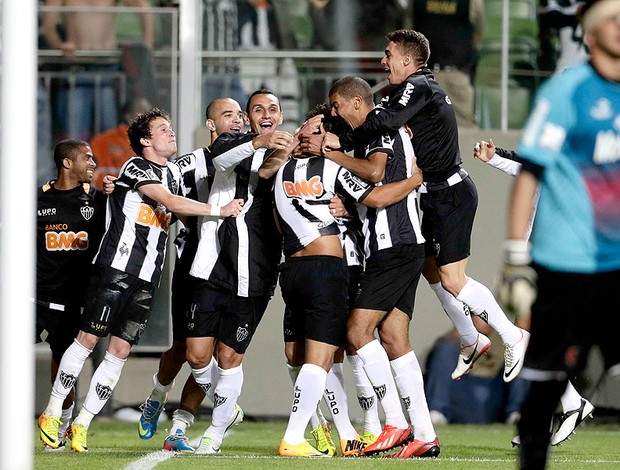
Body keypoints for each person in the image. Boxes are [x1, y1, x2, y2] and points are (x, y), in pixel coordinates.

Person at [302, 29, 529, 388]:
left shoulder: (419, 85)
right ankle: (471, 339)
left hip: (450, 194)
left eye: (388, 54)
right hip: (435, 194)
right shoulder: (415, 90)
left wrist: (337, 141)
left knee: (454, 279)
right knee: (432, 270)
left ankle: (510, 335)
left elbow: (382, 122)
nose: (383, 61)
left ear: (408, 60)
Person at [37, 107, 244, 453]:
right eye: (163, 129)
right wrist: (219, 210)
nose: (171, 133)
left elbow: (176, 210)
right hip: (117, 267)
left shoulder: (174, 176)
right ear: (146, 141)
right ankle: (53, 411)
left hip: (148, 277)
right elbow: (168, 201)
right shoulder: (137, 166)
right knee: (87, 338)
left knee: (119, 352)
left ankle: (82, 424)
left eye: (170, 128)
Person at [500, 1, 620, 467]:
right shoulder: (567, 90)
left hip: (616, 261)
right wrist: (515, 258)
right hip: (565, 261)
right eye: (610, 18)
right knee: (546, 381)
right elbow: (530, 172)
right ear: (589, 35)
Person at [269, 103, 425, 457]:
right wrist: (415, 179)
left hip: (291, 270)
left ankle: (343, 433)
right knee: (325, 357)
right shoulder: (331, 167)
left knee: (307, 356)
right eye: (314, 130)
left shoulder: (279, 170)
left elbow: (278, 221)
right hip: (326, 268)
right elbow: (378, 194)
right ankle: (295, 437)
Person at [299, 77, 440, 458]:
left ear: (356, 102)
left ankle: (393, 423)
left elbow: (377, 178)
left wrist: (333, 155)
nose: (333, 112)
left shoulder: (380, 126)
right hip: (395, 247)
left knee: (357, 332)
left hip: (396, 245)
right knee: (394, 338)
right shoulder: (365, 137)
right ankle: (424, 434)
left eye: (336, 104)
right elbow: (373, 188)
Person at [182, 90, 293, 454]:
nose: (266, 113)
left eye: (273, 109)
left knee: (230, 357)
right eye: (258, 109)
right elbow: (221, 159)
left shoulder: (291, 154)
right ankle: (227, 408)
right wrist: (260, 141)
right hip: (213, 264)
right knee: (197, 355)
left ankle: (214, 431)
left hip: (258, 270)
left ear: (280, 116)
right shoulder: (233, 142)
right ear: (246, 117)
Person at [137, 97, 246, 453]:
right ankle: (157, 394)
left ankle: (180, 427)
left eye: (238, 115)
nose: (236, 120)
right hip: (194, 265)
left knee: (212, 352)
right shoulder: (188, 163)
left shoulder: (255, 161)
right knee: (186, 348)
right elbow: (166, 196)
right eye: (226, 115)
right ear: (211, 125)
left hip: (237, 268)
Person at [473, 138, 595, 447]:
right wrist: (493, 157)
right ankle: (566, 406)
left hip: (561, 266)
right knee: (533, 342)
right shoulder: (551, 165)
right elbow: (523, 166)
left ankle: (565, 407)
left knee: (529, 338)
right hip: (540, 264)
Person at [36, 139, 107, 451]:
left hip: (73, 300)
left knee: (63, 366)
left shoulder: (99, 201)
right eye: (87, 157)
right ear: (67, 163)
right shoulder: (37, 200)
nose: (93, 162)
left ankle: (61, 424)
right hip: (33, 298)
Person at [41, 0, 154, 142]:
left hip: (108, 68)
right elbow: (48, 26)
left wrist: (147, 44)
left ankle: (108, 164)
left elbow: (144, 8)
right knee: (74, 138)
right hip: (76, 69)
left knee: (109, 135)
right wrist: (60, 45)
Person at [411, 0, 485, 128]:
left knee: (423, 130)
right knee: (462, 132)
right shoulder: (472, 2)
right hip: (451, 74)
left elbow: (409, 30)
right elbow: (478, 31)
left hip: (428, 75)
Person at [90, 97, 152, 189]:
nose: (148, 118)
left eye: (150, 114)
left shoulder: (155, 143)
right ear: (128, 116)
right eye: (142, 112)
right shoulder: (101, 141)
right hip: (105, 197)